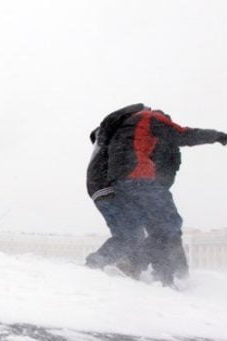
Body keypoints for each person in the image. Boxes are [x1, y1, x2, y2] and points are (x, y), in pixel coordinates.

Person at [105, 104, 227, 286]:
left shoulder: (128, 125)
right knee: (170, 226)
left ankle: (163, 276)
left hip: (120, 182)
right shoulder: (152, 118)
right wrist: (218, 136)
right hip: (139, 177)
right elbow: (183, 134)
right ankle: (134, 264)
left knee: (159, 229)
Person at [85, 104, 146, 273]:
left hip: (103, 189)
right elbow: (111, 120)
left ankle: (132, 267)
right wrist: (141, 108)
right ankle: (95, 264)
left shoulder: (107, 145)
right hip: (106, 188)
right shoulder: (107, 138)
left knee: (134, 232)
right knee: (129, 235)